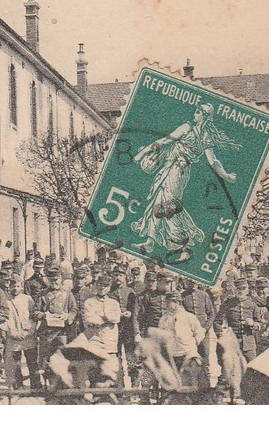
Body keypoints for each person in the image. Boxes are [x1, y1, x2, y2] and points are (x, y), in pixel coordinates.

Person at [131, 104, 240, 263]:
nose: (194, 114)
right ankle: (150, 242)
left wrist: (227, 176)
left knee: (170, 206)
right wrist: (227, 176)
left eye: (198, 112)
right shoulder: (199, 133)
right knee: (159, 202)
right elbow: (212, 161)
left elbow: (212, 161)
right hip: (173, 169)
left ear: (204, 116)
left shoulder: (196, 132)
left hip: (178, 171)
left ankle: (185, 247)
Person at [3, 273, 40, 389]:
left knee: (32, 361)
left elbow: (33, 317)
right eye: (13, 286)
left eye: (18, 286)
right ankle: (18, 386)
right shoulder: (5, 300)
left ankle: (36, 385)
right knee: (15, 363)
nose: (15, 288)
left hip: (27, 336)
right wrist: (12, 333)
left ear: (22, 286)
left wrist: (29, 331)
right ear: (9, 286)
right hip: (13, 337)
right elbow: (4, 319)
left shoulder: (28, 299)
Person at [36, 265, 77, 369]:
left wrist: (67, 316)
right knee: (46, 359)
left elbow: (74, 309)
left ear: (61, 279)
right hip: (47, 333)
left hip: (62, 332)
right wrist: (44, 315)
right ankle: (46, 382)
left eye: (56, 280)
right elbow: (35, 312)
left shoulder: (67, 293)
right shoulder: (43, 293)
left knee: (62, 358)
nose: (54, 283)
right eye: (51, 280)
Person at [82, 273, 121, 361]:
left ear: (109, 287)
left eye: (106, 286)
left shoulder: (114, 303)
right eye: (100, 285)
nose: (102, 288)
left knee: (109, 368)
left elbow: (116, 318)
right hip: (95, 338)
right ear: (96, 285)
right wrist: (106, 320)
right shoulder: (89, 302)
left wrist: (103, 317)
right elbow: (90, 320)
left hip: (109, 339)